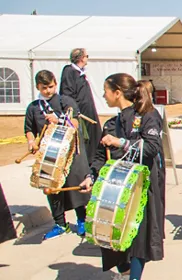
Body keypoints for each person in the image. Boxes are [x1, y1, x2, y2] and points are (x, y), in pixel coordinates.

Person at [88, 74, 165, 280]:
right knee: (112, 235)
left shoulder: (148, 116)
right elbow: (99, 156)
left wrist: (120, 142)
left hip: (140, 188)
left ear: (117, 92)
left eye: (106, 91)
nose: (104, 96)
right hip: (114, 189)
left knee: (138, 239)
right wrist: (91, 176)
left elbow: (152, 147)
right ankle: (124, 272)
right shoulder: (111, 123)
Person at [25, 70, 91, 240]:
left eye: (51, 86)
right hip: (49, 155)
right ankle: (61, 224)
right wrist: (31, 142)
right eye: (44, 87)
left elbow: (76, 122)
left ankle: (82, 220)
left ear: (55, 83)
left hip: (70, 153)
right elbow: (29, 129)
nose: (48, 90)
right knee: (52, 189)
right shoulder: (33, 107)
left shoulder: (65, 101)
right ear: (37, 87)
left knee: (75, 186)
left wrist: (59, 120)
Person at [60, 48, 103, 163]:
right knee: (85, 138)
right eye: (86, 56)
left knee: (95, 136)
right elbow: (67, 94)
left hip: (88, 111)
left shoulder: (80, 73)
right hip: (80, 113)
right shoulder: (69, 71)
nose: (87, 58)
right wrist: (74, 112)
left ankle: (94, 160)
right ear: (81, 58)